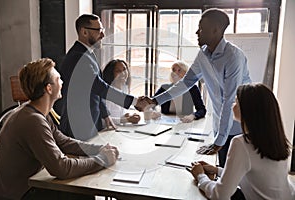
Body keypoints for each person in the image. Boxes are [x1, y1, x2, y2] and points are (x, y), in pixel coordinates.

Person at [140, 8, 251, 167]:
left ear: (215, 30)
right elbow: (186, 83)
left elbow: (229, 100)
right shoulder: (203, 54)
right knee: (221, 171)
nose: (196, 32)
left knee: (235, 174)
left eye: (201, 28)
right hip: (220, 123)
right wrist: (154, 101)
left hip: (241, 125)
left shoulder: (233, 56)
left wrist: (219, 141)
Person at [0, 58, 119, 200]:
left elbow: (64, 142)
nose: (62, 82)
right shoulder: (33, 120)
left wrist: (99, 149)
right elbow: (62, 168)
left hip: (28, 187)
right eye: (59, 79)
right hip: (21, 194)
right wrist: (102, 159)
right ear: (49, 88)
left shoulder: (35, 112)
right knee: (82, 192)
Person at [188, 83, 295, 200]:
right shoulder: (275, 138)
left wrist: (201, 176)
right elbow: (254, 176)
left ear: (248, 110)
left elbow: (220, 195)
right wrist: (217, 170)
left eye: (236, 102)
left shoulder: (241, 143)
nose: (232, 106)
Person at [54, 14, 146, 140]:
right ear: (84, 32)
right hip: (78, 124)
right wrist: (134, 102)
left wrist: (105, 114)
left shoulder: (88, 54)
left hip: (90, 121)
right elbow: (99, 86)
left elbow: (95, 89)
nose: (103, 35)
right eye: (99, 30)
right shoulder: (78, 57)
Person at [102, 59, 141, 124]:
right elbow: (103, 120)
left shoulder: (124, 88)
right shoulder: (106, 93)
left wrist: (128, 115)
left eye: (124, 69)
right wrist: (127, 120)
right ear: (111, 73)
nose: (123, 73)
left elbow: (119, 113)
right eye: (118, 71)